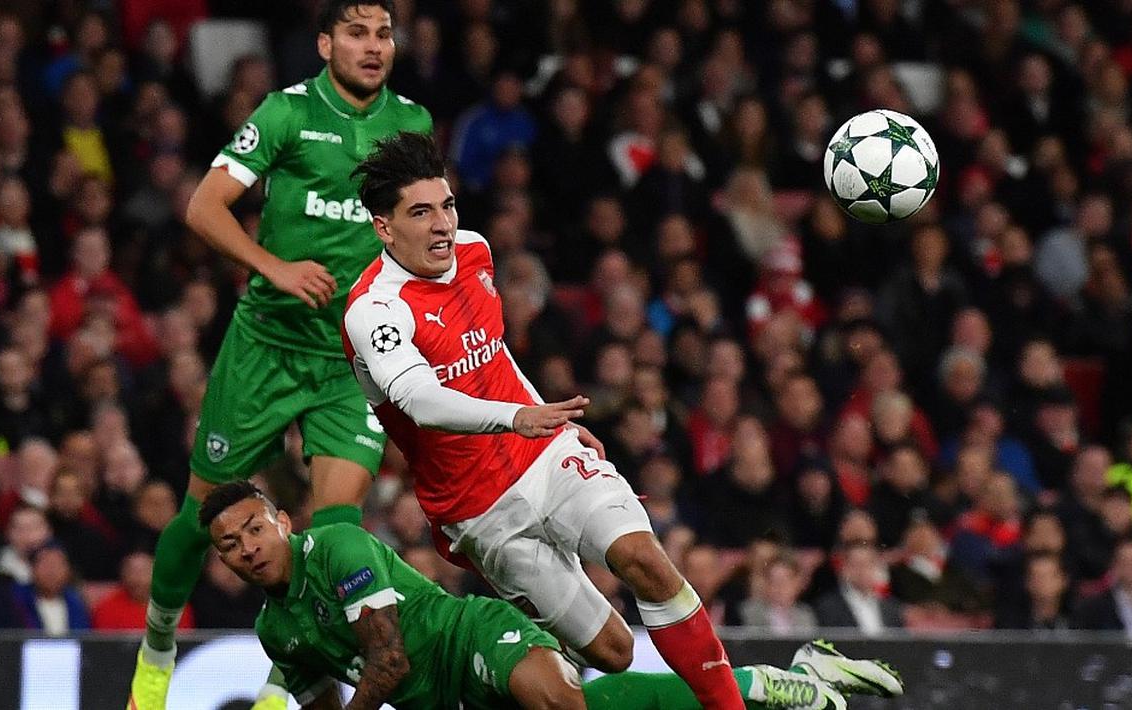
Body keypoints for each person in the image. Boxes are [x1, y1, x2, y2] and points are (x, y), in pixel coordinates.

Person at [340, 132, 902, 709]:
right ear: (384, 228)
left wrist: (547, 421)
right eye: (421, 213)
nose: (442, 225)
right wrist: (517, 415)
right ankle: (776, 680)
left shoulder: (474, 252)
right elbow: (420, 399)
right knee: (614, 651)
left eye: (448, 205)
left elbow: (492, 351)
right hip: (479, 511)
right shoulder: (375, 310)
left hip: (544, 457)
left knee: (644, 560)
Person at [127, 2, 432, 708]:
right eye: (356, 33)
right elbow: (204, 206)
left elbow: (422, 226)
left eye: (383, 34)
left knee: (335, 533)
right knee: (199, 518)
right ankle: (158, 646)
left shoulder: (411, 123)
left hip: (351, 358)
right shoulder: (286, 113)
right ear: (325, 43)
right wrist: (274, 267)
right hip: (266, 346)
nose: (372, 46)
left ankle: (283, 680)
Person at [202, 480, 905, 709]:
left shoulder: (336, 548)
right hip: (438, 704)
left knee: (559, 701)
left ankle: (764, 684)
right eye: (230, 545)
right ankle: (773, 681)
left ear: (282, 521)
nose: (247, 547)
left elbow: (386, 662)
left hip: (468, 637)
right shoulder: (276, 631)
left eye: (254, 528)